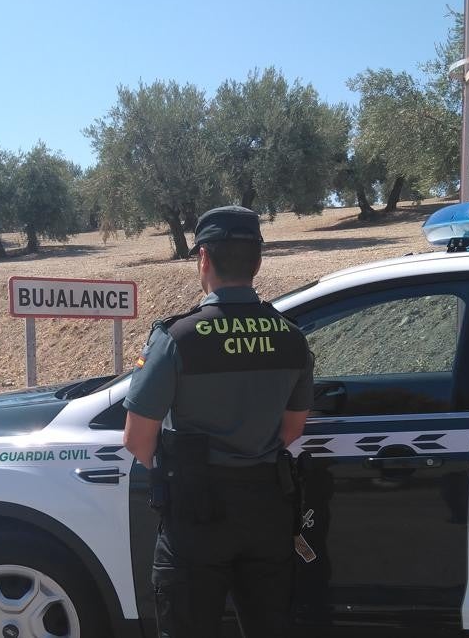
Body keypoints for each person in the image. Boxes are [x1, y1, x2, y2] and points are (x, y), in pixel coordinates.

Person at [123, 205, 315, 638]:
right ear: (258, 262)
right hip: (267, 508)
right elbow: (292, 430)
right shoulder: (290, 337)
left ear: (203, 259)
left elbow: (138, 441)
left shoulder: (177, 338)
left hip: (195, 512)